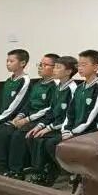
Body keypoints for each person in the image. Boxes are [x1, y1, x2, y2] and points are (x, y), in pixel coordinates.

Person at [38, 50, 98, 191]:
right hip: (73, 129)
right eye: (79, 65)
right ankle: (68, 173)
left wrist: (73, 132)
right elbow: (70, 112)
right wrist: (66, 129)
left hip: (89, 130)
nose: (80, 68)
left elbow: (92, 115)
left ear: (96, 67)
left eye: (84, 65)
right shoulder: (80, 87)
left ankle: (73, 174)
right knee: (50, 143)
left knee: (54, 142)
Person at [0, 54, 59, 179]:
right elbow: (28, 104)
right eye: (40, 64)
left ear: (55, 67)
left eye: (45, 65)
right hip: (29, 118)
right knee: (5, 130)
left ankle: (17, 171)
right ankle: (3, 168)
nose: (40, 67)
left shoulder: (55, 85)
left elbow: (49, 108)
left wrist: (27, 119)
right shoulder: (37, 84)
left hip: (42, 119)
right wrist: (19, 116)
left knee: (18, 135)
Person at [25, 56, 78, 186]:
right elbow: (51, 110)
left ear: (68, 71)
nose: (54, 70)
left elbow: (69, 115)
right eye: (54, 67)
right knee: (33, 135)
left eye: (58, 67)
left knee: (47, 142)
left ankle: (59, 172)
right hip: (55, 125)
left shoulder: (72, 88)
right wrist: (40, 126)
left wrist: (49, 128)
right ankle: (42, 171)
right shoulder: (58, 86)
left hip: (65, 126)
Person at [0, 49, 31, 174]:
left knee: (1, 133)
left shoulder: (25, 81)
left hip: (14, 119)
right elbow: (0, 103)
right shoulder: (9, 80)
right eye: (7, 61)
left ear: (22, 63)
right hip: (2, 117)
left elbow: (15, 106)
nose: (8, 63)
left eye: (11, 61)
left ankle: (2, 168)